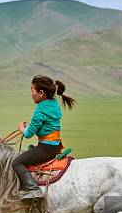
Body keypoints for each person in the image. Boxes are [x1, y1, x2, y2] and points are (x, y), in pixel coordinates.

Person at [12, 75, 76, 204]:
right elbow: (44, 125)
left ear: (41, 93)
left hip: (45, 148)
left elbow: (29, 134)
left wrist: (21, 129)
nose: (31, 94)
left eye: (32, 90)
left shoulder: (40, 109)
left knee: (16, 162)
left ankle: (34, 190)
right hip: (56, 146)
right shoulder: (54, 104)